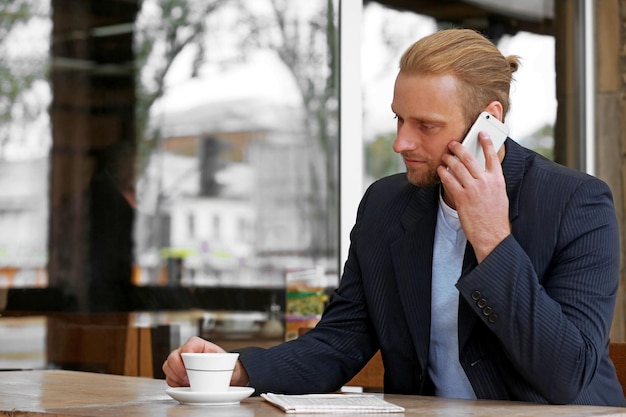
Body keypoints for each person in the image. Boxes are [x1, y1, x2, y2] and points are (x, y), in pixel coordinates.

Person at [163, 28, 626, 406]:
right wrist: (236, 368)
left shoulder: (577, 204)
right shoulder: (386, 205)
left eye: (425, 126)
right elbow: (340, 342)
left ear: (490, 121)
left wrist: (492, 239)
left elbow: (566, 377)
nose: (401, 143)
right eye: (398, 120)